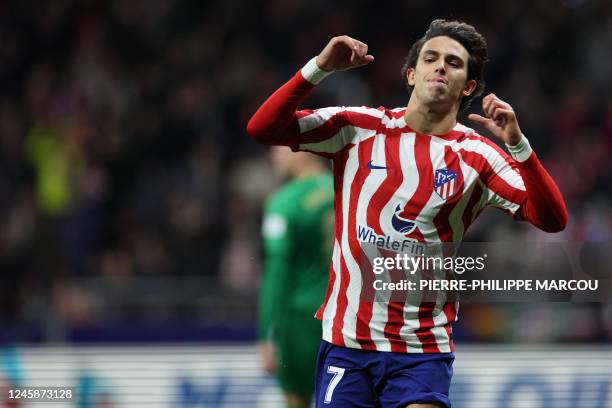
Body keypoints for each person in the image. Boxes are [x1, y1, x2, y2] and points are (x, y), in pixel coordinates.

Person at [248, 19, 568, 408]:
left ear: (467, 86)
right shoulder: (359, 128)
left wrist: (519, 146)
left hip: (421, 348)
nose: (439, 67)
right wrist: (320, 67)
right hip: (347, 343)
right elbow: (263, 128)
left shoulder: (479, 157)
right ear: (411, 74)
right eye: (430, 58)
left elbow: (553, 219)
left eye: (453, 62)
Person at [258, 146, 334, 408]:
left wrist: (267, 333)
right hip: (347, 317)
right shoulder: (348, 191)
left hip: (300, 320)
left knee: (297, 401)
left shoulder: (284, 202)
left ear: (302, 150)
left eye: (280, 147)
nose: (274, 155)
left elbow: (276, 273)